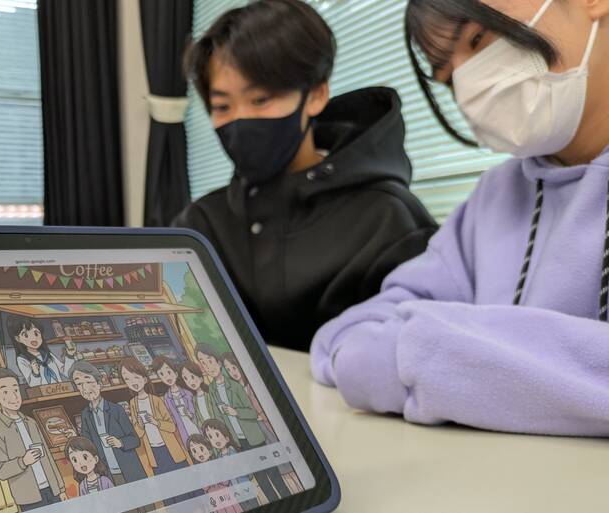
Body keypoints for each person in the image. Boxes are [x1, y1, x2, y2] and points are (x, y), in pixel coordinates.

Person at [311, 0, 609, 437]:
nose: (470, 86)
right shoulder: (496, 196)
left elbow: (387, 353)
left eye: (479, 39)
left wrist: (420, 357)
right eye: (450, 78)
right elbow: (349, 336)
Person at [173, 0, 437, 351]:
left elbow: (417, 352)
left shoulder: (387, 219)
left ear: (315, 95)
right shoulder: (200, 225)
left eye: (261, 99)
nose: (240, 118)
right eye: (222, 106)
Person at [195, 344, 290, 502]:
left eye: (209, 360)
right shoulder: (211, 390)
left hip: (254, 437)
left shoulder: (234, 385)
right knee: (260, 477)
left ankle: (288, 500)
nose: (208, 366)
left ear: (218, 362)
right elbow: (219, 420)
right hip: (239, 442)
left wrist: (235, 412)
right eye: (203, 363)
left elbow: (252, 412)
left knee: (273, 473)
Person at [0, 368, 67, 510]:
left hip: (52, 490)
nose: (14, 396)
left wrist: (61, 489)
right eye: (5, 392)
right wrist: (23, 461)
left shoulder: (30, 422)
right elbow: (1, 470)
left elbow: (47, 457)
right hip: (28, 497)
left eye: (16, 390)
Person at [69, 361, 148, 486]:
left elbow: (135, 440)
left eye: (88, 381)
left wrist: (120, 442)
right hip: (106, 472)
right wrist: (75, 438)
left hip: (129, 468)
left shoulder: (116, 410)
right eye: (79, 384)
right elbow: (87, 445)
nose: (85, 388)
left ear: (99, 384)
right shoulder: (85, 415)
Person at [202, 420, 259, 512]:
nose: (215, 439)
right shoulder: (219, 457)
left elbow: (243, 468)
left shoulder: (233, 451)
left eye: (217, 434)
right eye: (211, 437)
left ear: (226, 437)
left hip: (245, 486)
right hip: (235, 491)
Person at [8, 315, 76, 386]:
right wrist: (35, 373)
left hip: (60, 389)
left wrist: (70, 355)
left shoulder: (47, 354)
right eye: (26, 335)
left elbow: (67, 372)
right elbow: (33, 385)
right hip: (43, 392)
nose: (33, 338)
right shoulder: (22, 359)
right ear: (17, 338)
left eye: (36, 333)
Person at [152, 356, 199, 449]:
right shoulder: (166, 398)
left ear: (176, 374)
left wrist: (190, 414)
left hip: (195, 425)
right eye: (162, 374)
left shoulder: (187, 392)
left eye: (169, 372)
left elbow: (196, 411)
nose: (167, 377)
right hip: (182, 429)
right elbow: (171, 417)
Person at [186, 434, 242, 513]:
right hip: (213, 498)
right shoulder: (198, 471)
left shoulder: (217, 463)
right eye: (194, 451)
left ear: (209, 450)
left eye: (201, 449)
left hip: (226, 494)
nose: (199, 453)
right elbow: (204, 487)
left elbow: (226, 481)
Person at [178, 360, 217, 427]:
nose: (190, 381)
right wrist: (190, 416)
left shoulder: (211, 393)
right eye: (186, 378)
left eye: (192, 377)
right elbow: (199, 421)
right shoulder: (194, 400)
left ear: (200, 378)